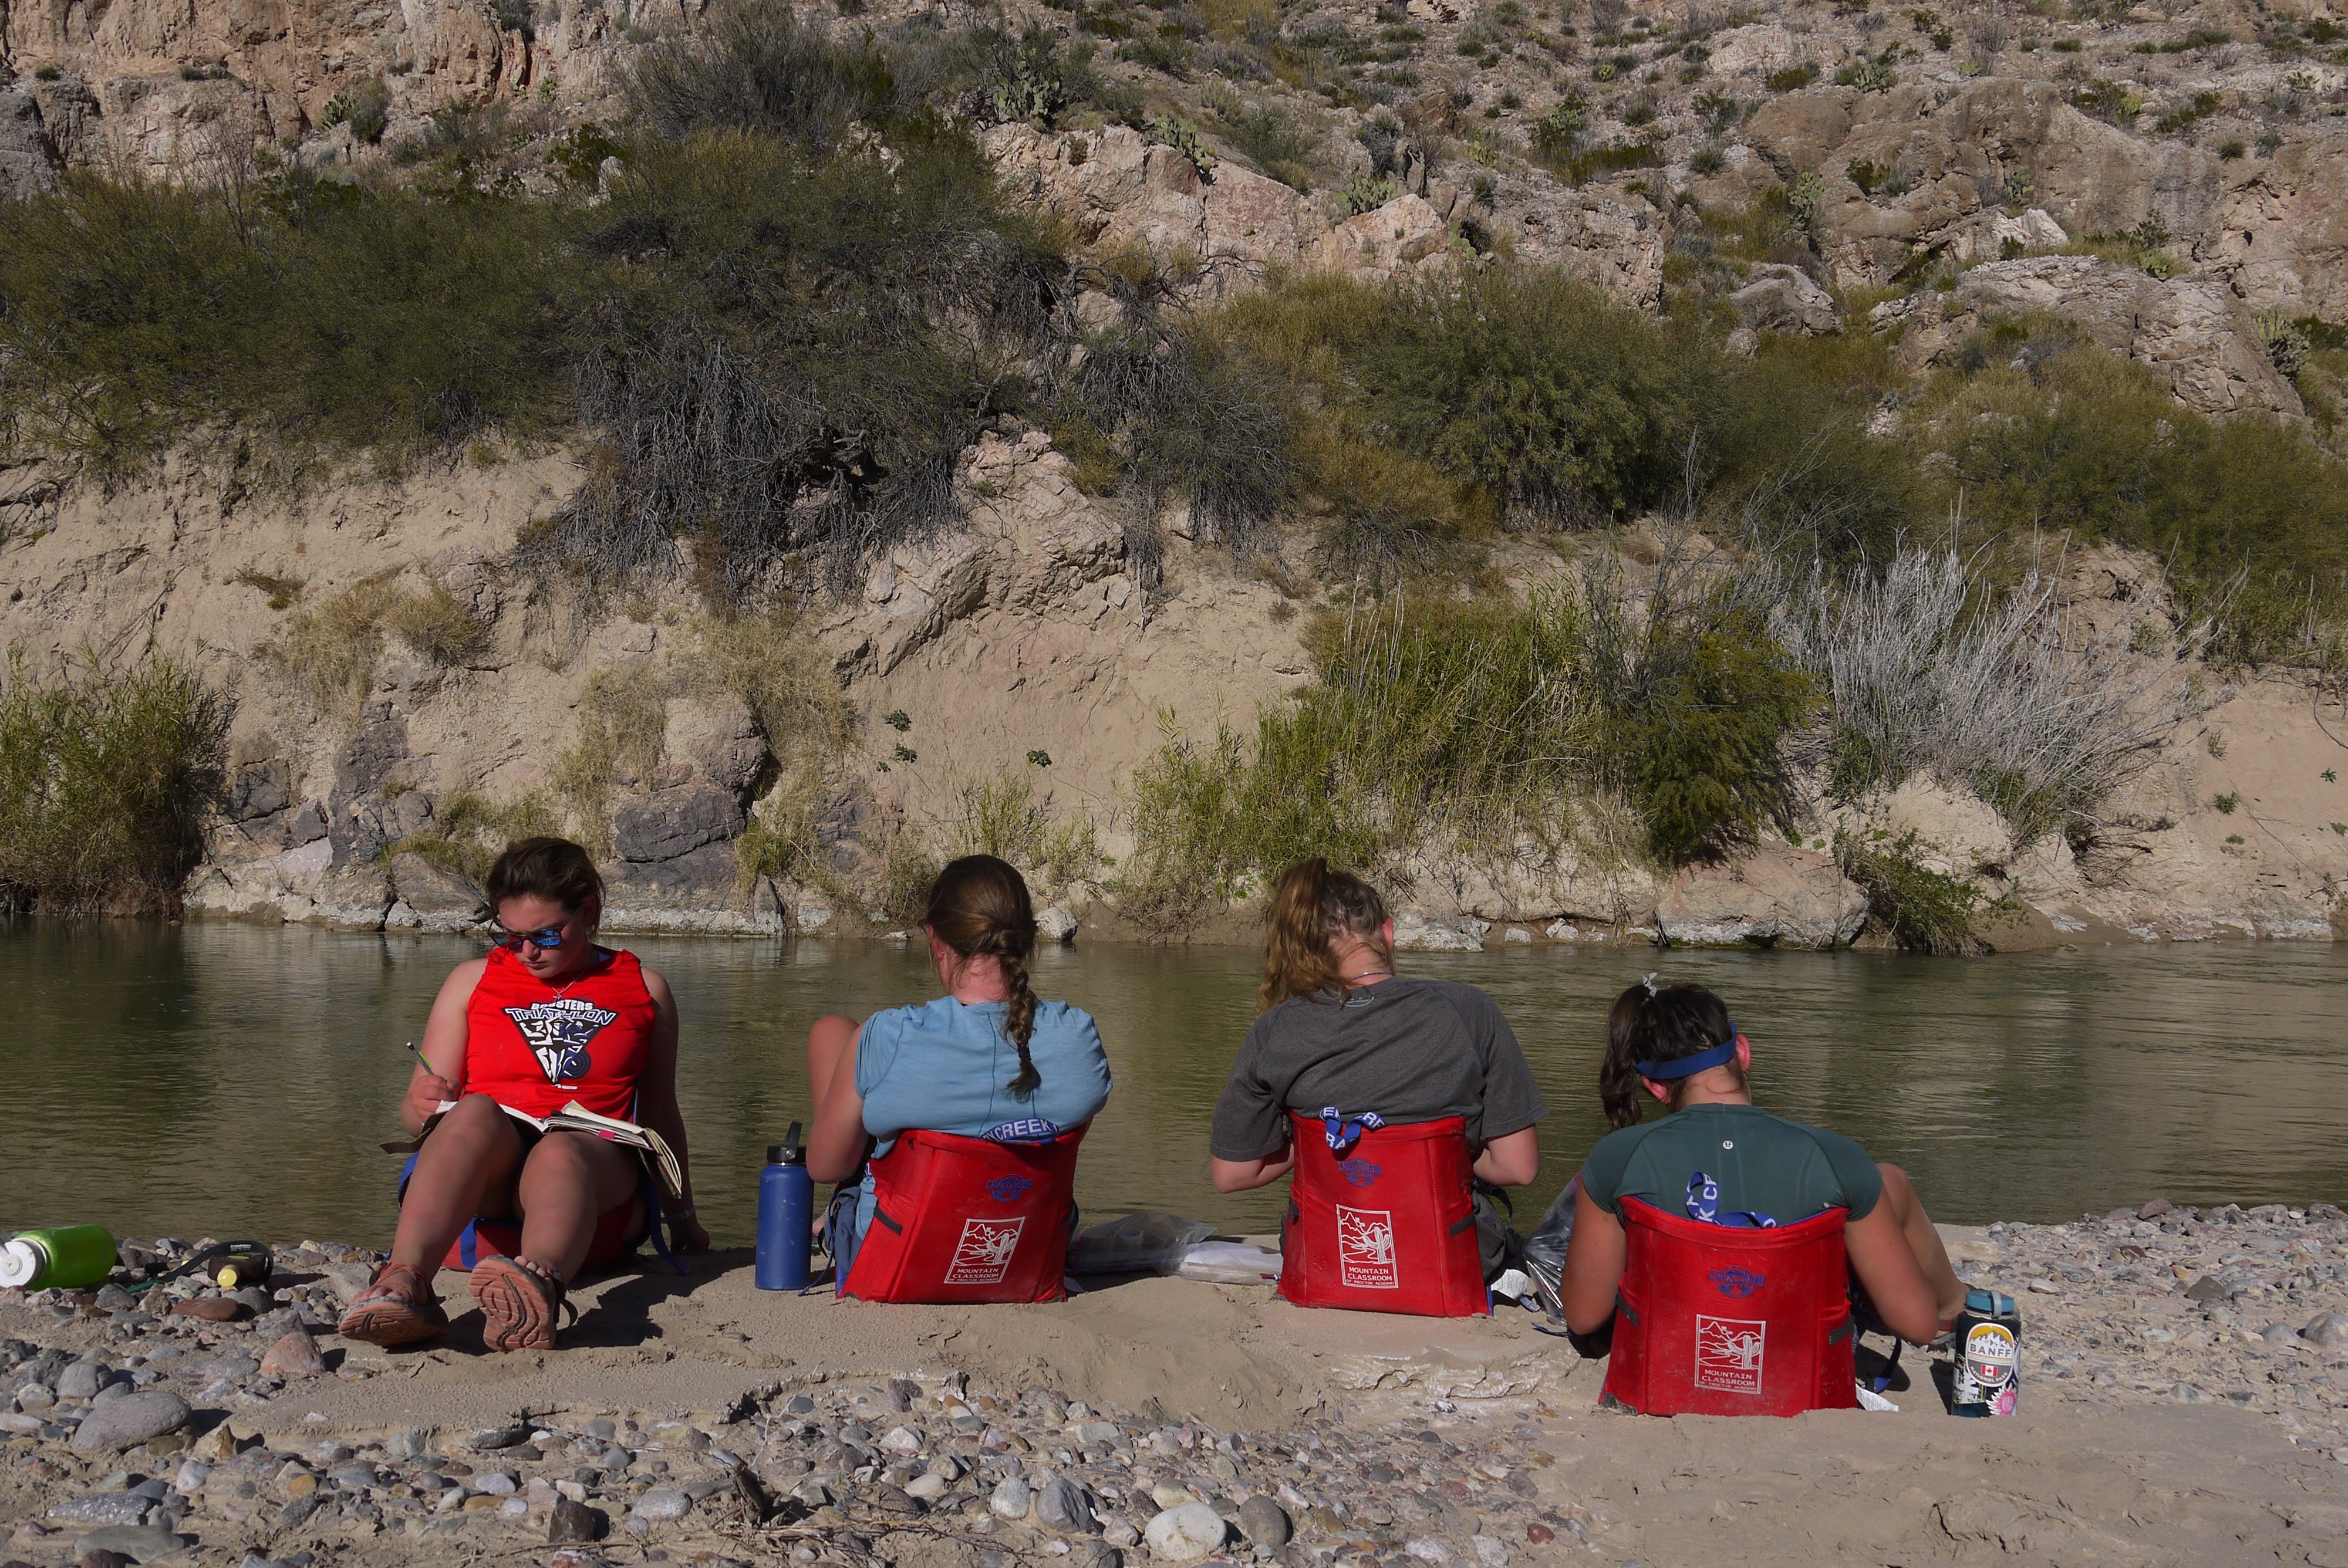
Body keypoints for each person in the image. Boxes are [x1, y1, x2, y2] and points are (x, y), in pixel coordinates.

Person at [338, 837, 707, 1351]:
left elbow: (662, 1112)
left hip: (594, 1187)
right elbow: (414, 1117)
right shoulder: (472, 981)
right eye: (511, 937)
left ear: (589, 913)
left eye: (546, 934)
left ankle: (540, 1287)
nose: (528, 952)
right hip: (490, 1180)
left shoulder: (644, 988)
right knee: (473, 1111)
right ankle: (404, 1282)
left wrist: (683, 1220)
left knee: (562, 1146)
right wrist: (422, 1103)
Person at [1558, 977, 1967, 1349]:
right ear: (1743, 1051)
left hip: (1677, 1351)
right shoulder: (1835, 1156)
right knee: (1884, 1181)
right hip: (1793, 1354)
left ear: (1654, 1086)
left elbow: (1584, 1315)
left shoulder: (1618, 1157)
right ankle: (1958, 1307)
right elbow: (1915, 1325)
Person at [1209, 859, 1544, 1283]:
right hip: (1449, 1263)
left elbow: (1233, 1174)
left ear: (1311, 951)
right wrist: (1451, 1148)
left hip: (1327, 1262)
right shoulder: (1471, 1010)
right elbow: (1519, 1168)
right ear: (1388, 933)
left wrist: (1328, 1143)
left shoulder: (1276, 1029)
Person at [804, 854, 1113, 1271]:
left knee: (832, 1033)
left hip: (897, 1260)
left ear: (938, 944)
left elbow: (825, 1167)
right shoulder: (1079, 1037)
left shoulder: (889, 1037)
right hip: (1025, 1259)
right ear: (1026, 939)